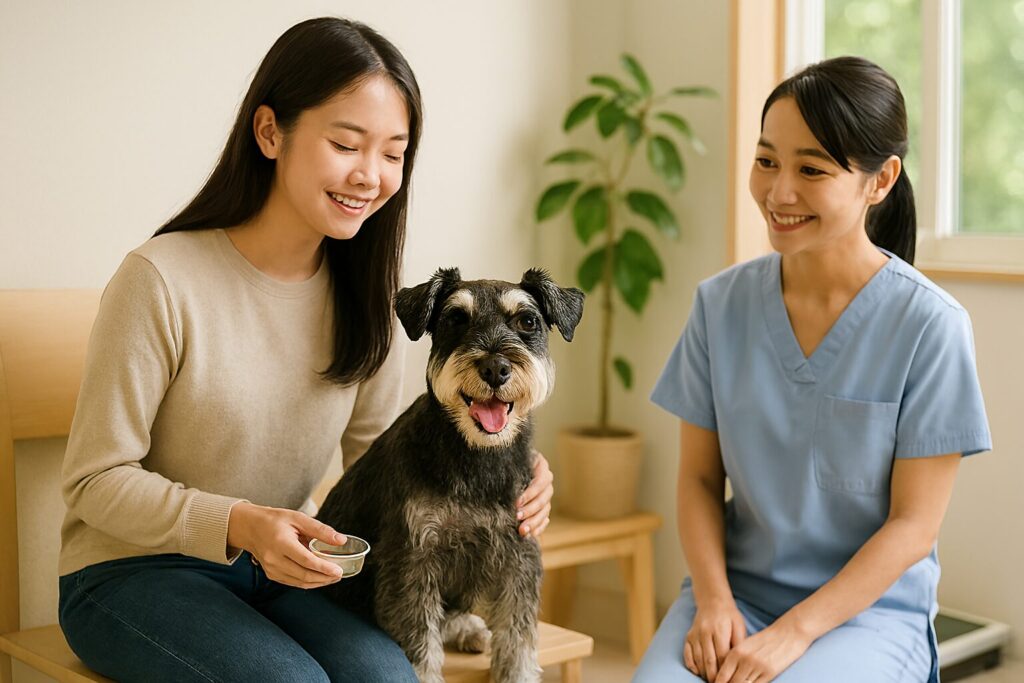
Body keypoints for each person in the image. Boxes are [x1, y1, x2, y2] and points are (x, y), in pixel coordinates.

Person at [57, 17, 554, 683]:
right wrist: (238, 523)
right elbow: (94, 480)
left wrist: (512, 462)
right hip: (128, 572)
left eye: (392, 152)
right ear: (269, 132)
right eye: (347, 143)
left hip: (278, 572)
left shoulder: (367, 303)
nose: (370, 175)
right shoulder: (160, 280)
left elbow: (386, 462)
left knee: (389, 678)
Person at [634, 56, 991, 683]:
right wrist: (714, 602)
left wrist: (794, 634)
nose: (779, 192)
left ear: (880, 181)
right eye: (767, 160)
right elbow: (696, 480)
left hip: (869, 614)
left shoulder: (930, 326)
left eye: (812, 169)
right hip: (736, 595)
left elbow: (913, 526)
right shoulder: (719, 306)